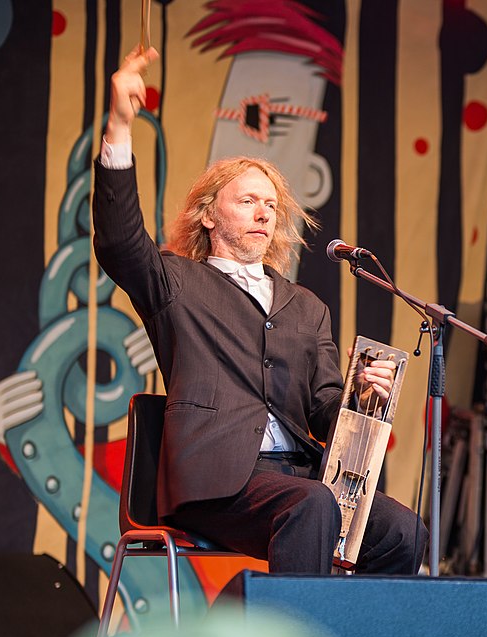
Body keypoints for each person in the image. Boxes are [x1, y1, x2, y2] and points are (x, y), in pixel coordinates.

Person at [93, 46, 427, 575]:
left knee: (405, 531)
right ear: (208, 216)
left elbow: (323, 410)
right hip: (217, 482)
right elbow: (119, 242)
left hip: (301, 475)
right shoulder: (176, 281)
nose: (264, 213)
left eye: (271, 205)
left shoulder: (306, 306)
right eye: (248, 201)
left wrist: (361, 397)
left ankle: (349, 620)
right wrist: (118, 125)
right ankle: (295, 620)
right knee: (312, 506)